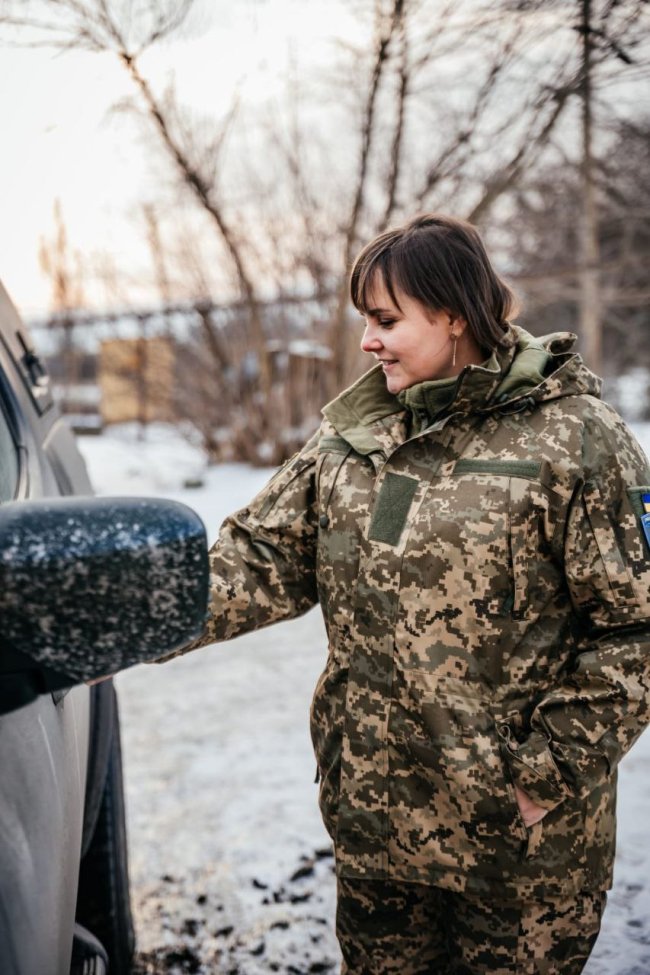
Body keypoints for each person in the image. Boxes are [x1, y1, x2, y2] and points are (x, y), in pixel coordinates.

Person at [159, 213, 650, 974]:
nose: (367, 341)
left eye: (385, 320)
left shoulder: (578, 440)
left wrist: (538, 776)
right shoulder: (353, 440)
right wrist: (125, 615)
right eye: (366, 320)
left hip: (518, 860)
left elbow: (636, 629)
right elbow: (254, 560)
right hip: (378, 840)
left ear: (454, 314)